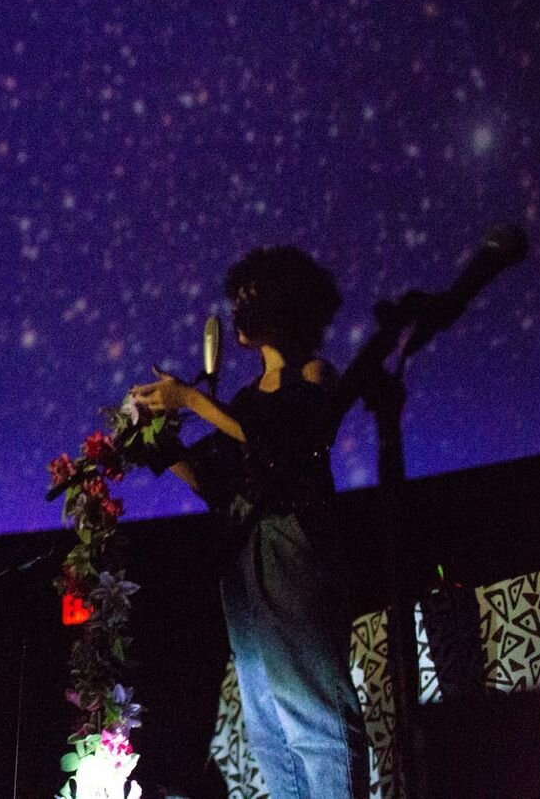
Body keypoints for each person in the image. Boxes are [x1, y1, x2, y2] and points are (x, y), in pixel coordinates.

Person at [129, 246, 368, 799]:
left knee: (312, 707)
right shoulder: (241, 399)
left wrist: (189, 398)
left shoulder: (315, 375)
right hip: (244, 553)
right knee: (266, 718)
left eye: (253, 300)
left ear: (289, 307)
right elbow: (219, 481)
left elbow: (284, 440)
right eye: (237, 301)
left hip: (293, 545)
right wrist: (158, 443)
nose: (239, 311)